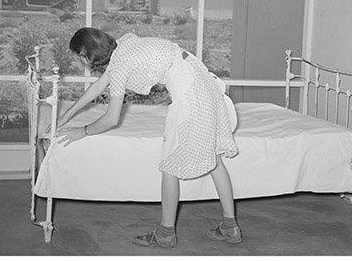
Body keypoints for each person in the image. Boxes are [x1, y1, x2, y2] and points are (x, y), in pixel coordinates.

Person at [55, 27, 241, 248]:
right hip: (202, 83)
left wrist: (83, 131)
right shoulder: (123, 45)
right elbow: (98, 86)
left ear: (87, 53)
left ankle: (165, 234)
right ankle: (231, 228)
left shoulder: (121, 62)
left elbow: (112, 118)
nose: (80, 62)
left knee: (170, 166)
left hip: (191, 92)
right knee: (214, 159)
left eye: (79, 57)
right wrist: (67, 114)